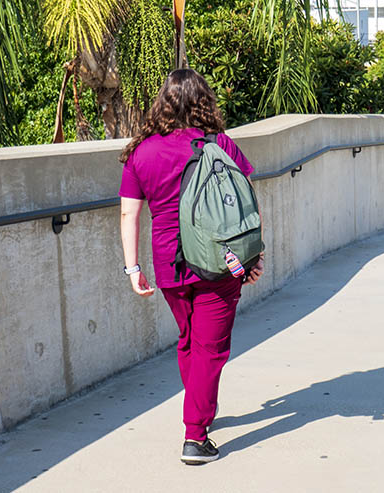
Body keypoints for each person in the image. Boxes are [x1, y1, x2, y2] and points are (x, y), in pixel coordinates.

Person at [118, 68, 265, 465]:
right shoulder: (217, 143)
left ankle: (199, 411)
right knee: (210, 349)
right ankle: (195, 436)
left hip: (169, 264)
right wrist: (251, 257)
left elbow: (129, 216)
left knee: (188, 340)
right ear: (204, 100)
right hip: (219, 261)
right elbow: (246, 201)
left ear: (162, 103)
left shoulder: (140, 152)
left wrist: (133, 270)